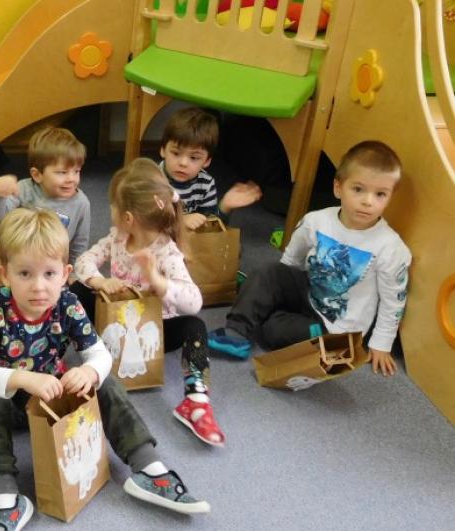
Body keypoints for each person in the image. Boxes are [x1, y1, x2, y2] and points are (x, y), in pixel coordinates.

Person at [0, 208, 210, 531]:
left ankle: (149, 469)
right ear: (5, 274)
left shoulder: (67, 303)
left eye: (49, 274)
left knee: (104, 382)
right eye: (25, 274)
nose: (38, 286)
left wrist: (90, 372)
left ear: (65, 275)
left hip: (52, 398)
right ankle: (5, 501)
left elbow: (99, 355)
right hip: (8, 400)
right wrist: (23, 378)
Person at [208, 141, 411, 377]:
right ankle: (236, 333)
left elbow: (393, 302)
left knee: (274, 330)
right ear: (338, 187)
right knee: (267, 273)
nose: (368, 201)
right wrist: (273, 291)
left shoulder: (390, 247)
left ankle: (295, 329)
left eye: (380, 194)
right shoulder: (316, 221)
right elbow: (289, 262)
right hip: (308, 291)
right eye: (358, 189)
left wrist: (381, 343)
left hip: (335, 327)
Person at [71, 158, 224, 446]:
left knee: (195, 326)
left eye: (113, 206)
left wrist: (159, 282)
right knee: (76, 291)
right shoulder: (117, 237)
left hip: (155, 330)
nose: (110, 211)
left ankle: (196, 401)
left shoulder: (167, 253)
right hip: (112, 324)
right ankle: (79, 356)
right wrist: (101, 282)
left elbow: (194, 302)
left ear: (128, 217)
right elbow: (83, 262)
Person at [0, 127, 90, 316]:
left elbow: (79, 244)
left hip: (50, 262)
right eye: (62, 172)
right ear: (37, 175)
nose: (71, 179)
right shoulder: (24, 189)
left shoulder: (81, 203)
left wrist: (72, 275)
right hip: (19, 253)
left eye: (76, 171)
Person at [158, 107, 261, 231]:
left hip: (188, 237)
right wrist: (181, 220)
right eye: (176, 153)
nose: (183, 163)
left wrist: (225, 205)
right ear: (163, 150)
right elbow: (144, 220)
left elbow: (210, 228)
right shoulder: (151, 178)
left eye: (194, 158)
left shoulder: (206, 183)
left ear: (206, 161)